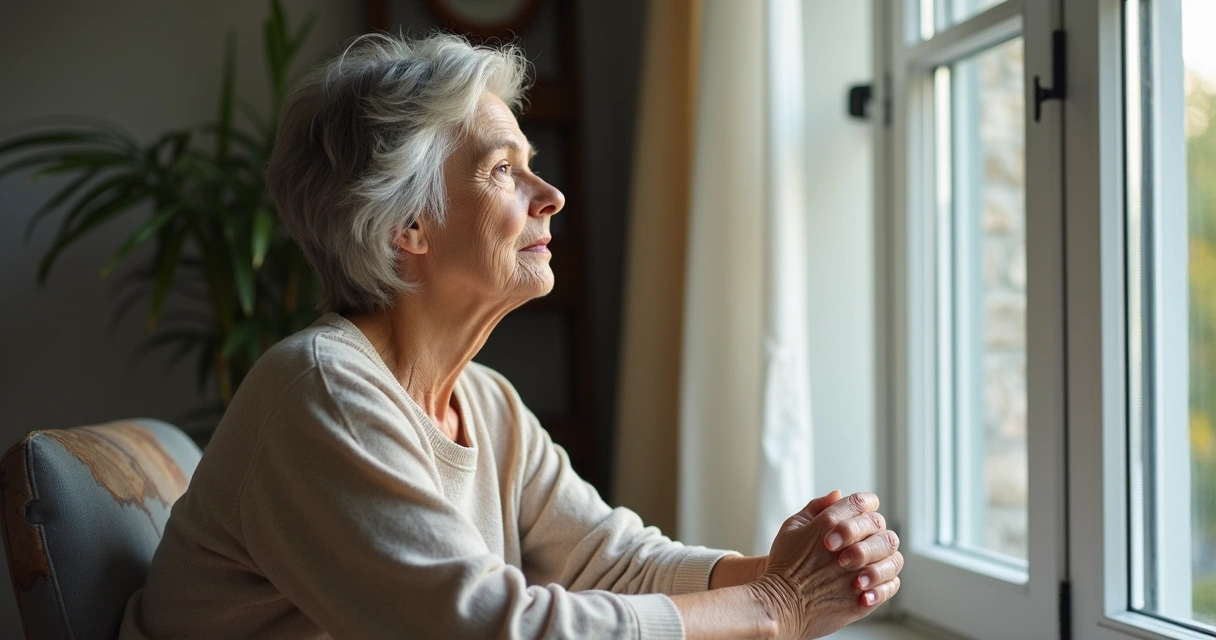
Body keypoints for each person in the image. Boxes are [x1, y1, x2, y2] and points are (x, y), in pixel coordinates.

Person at [119, 33, 902, 640]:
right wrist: (770, 607)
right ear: (407, 225)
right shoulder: (321, 390)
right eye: (503, 170)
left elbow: (613, 562)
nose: (552, 195)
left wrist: (796, 570)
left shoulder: (484, 403)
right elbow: (493, 629)